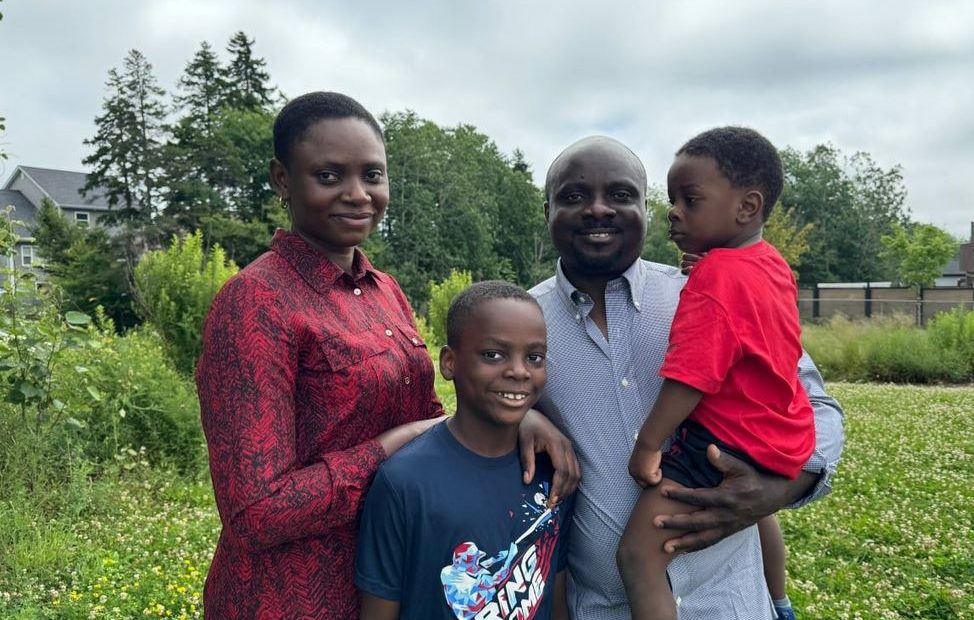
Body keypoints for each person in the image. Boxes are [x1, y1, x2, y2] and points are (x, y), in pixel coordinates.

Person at [196, 92, 578, 619]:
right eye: (329, 176)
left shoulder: (383, 291)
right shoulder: (256, 302)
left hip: (393, 579)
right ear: (282, 180)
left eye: (372, 175)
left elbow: (429, 419)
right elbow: (256, 512)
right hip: (291, 597)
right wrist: (388, 446)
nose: (357, 195)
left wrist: (520, 420)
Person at [530, 135, 844, 619]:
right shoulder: (519, 323)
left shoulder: (710, 291)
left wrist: (783, 487)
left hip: (735, 604)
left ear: (645, 208)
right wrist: (524, 422)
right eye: (573, 196)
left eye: (620, 195)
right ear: (546, 208)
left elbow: (813, 403)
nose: (597, 210)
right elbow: (482, 422)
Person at [617, 126, 812, 620]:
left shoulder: (716, 277)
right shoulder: (770, 266)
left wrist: (648, 445)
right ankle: (780, 601)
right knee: (754, 510)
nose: (673, 212)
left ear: (746, 207)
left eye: (691, 199)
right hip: (778, 439)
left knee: (638, 556)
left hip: (726, 440)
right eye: (670, 199)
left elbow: (690, 376)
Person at [356, 281, 574, 620]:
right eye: (493, 355)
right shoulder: (403, 483)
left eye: (534, 357)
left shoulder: (553, 472)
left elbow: (553, 598)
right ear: (449, 363)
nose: (518, 371)